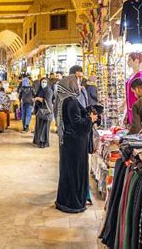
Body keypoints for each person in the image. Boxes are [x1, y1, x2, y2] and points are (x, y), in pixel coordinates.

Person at [55, 75, 98, 213]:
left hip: (69, 143)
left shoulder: (65, 99)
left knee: (68, 172)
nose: (79, 85)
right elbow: (78, 124)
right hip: (75, 144)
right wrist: (90, 120)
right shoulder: (71, 101)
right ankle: (74, 203)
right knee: (75, 173)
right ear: (71, 84)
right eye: (77, 82)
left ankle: (65, 201)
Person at [33, 77, 53, 148]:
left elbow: (48, 101)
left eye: (45, 82)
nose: (43, 83)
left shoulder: (49, 90)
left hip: (46, 111)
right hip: (40, 111)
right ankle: (38, 141)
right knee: (39, 126)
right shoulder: (40, 90)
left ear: (47, 83)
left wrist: (38, 98)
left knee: (44, 127)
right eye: (42, 82)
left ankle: (43, 143)